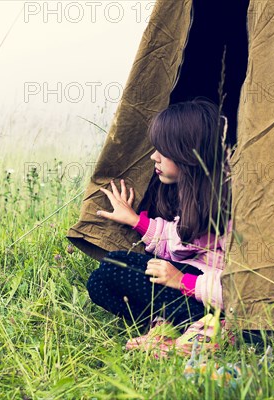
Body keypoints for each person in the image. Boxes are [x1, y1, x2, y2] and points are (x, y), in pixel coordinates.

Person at [86, 99, 232, 352]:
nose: (154, 156)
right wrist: (135, 221)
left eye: (163, 150)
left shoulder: (232, 207)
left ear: (188, 153)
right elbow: (179, 242)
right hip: (192, 279)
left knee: (110, 272)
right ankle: (169, 326)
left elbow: (244, 286)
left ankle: (205, 329)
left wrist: (183, 282)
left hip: (209, 291)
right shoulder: (194, 194)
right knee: (109, 268)